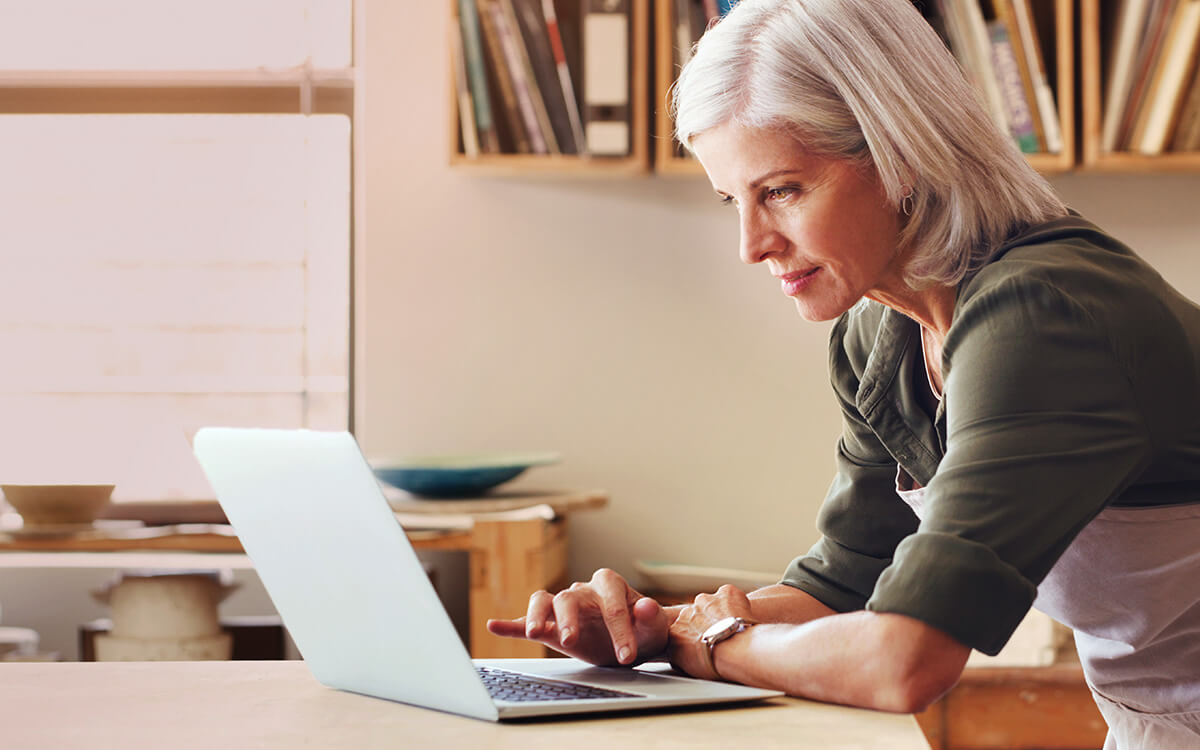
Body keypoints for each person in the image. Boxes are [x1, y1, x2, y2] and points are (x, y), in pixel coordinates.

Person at [486, 0, 1200, 745]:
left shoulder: (1044, 318)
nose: (751, 246)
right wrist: (647, 632)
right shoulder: (882, 331)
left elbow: (904, 659)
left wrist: (715, 641)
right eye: (733, 199)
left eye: (782, 191)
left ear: (901, 157)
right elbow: (840, 591)